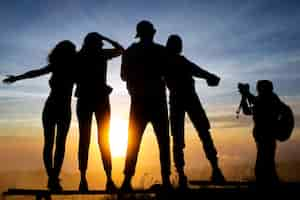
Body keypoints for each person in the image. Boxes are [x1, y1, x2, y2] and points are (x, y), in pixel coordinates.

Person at [3, 40, 77, 191]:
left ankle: (53, 178)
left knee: (56, 144)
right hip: (54, 109)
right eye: (71, 50)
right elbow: (35, 73)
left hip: (59, 109)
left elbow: (35, 73)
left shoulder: (72, 67)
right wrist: (16, 78)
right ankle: (53, 178)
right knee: (52, 144)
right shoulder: (60, 66)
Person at [165, 35, 225, 188]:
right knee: (203, 133)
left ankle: (182, 176)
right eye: (179, 45)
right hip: (189, 99)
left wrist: (208, 76)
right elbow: (197, 70)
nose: (180, 47)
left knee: (179, 138)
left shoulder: (167, 61)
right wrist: (209, 77)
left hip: (179, 101)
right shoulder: (177, 61)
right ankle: (215, 170)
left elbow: (196, 70)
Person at [120, 20, 171, 191]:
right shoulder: (161, 51)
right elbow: (168, 73)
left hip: (139, 102)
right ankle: (166, 181)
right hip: (158, 101)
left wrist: (135, 85)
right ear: (153, 33)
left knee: (133, 141)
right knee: (163, 142)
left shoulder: (130, 52)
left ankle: (127, 180)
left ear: (139, 34)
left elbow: (123, 76)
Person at [75, 32, 124, 192]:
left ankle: (83, 180)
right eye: (100, 42)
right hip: (100, 99)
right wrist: (106, 37)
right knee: (103, 140)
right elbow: (120, 49)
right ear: (98, 43)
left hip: (85, 98)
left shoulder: (79, 56)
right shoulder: (101, 54)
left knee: (84, 140)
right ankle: (108, 179)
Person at [238, 80, 281, 185]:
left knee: (263, 163)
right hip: (262, 136)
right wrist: (244, 96)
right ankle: (271, 181)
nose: (258, 90)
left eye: (259, 88)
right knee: (267, 162)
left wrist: (246, 93)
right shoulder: (267, 99)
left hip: (267, 136)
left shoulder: (271, 99)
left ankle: (266, 182)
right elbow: (247, 111)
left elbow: (258, 103)